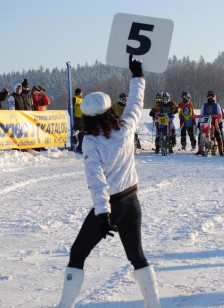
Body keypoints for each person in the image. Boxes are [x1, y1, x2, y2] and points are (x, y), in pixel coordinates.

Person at [56, 55, 161, 308]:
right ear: (111, 109)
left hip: (111, 206)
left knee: (78, 253)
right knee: (136, 256)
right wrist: (138, 75)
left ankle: (65, 306)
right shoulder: (126, 128)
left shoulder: (91, 142)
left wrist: (103, 215)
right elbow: (136, 102)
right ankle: (154, 304)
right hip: (132, 202)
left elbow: (97, 182)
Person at [196, 90, 224, 156]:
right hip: (205, 120)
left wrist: (220, 122)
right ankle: (200, 149)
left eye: (211, 96)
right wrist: (199, 122)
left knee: (217, 133)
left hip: (214, 120)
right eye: (208, 96)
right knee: (201, 133)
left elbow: (219, 113)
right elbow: (201, 113)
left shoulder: (216, 105)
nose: (210, 97)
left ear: (214, 97)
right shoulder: (204, 105)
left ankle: (221, 150)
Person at [72, 88, 84, 153]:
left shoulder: (81, 99)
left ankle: (80, 147)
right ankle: (74, 147)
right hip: (76, 118)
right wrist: (72, 116)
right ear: (79, 93)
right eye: (81, 93)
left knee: (82, 133)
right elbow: (71, 108)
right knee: (74, 133)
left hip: (81, 118)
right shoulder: (74, 98)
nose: (82, 94)